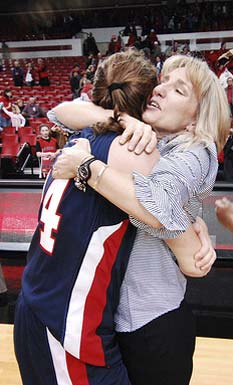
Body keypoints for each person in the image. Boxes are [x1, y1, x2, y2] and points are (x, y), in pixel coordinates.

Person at [15, 50, 216, 385]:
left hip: (43, 301)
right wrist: (195, 236)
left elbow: (62, 111)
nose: (163, 91)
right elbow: (181, 243)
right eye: (162, 83)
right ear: (147, 94)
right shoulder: (136, 149)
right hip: (67, 322)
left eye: (177, 88)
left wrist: (193, 217)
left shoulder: (83, 134)